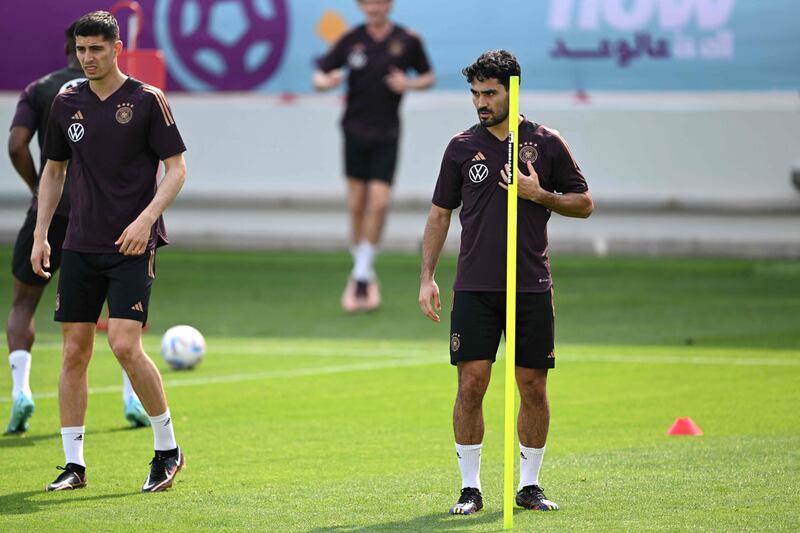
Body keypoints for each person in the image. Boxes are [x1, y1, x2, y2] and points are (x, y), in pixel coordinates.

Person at [418, 50, 593, 514]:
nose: (480, 101)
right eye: (475, 93)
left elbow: (585, 203)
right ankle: (470, 487)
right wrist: (427, 277)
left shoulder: (546, 143)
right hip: (475, 287)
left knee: (532, 385)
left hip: (531, 285)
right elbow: (440, 214)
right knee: (471, 384)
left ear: (512, 91)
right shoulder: (460, 147)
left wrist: (541, 195)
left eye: (489, 93)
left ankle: (529, 485)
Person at [32, 11, 187, 492]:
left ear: (117, 48)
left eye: (96, 49)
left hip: (132, 245)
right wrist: (42, 234)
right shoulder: (65, 102)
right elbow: (54, 170)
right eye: (81, 50)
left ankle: (167, 449)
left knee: (123, 344)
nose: (88, 58)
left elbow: (177, 170)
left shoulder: (146, 100)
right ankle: (74, 465)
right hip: (79, 243)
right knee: (74, 352)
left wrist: (145, 221)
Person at [5, 21, 150, 434]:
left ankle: (20, 391)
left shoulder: (42, 90)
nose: (89, 56)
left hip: (50, 215)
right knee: (124, 312)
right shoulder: (129, 95)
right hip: (107, 219)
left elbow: (16, 144)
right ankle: (130, 397)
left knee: (22, 304)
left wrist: (37, 190)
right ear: (82, 49)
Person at [313, 0, 434, 312]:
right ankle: (362, 272)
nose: (373, 7)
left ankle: (362, 275)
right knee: (356, 204)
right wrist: (326, 82)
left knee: (379, 202)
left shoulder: (407, 40)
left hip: (387, 134)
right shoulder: (350, 39)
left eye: (379, 2)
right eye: (367, 2)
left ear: (389, 5)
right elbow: (320, 75)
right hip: (353, 132)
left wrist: (408, 83)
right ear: (361, 6)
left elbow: (427, 76)